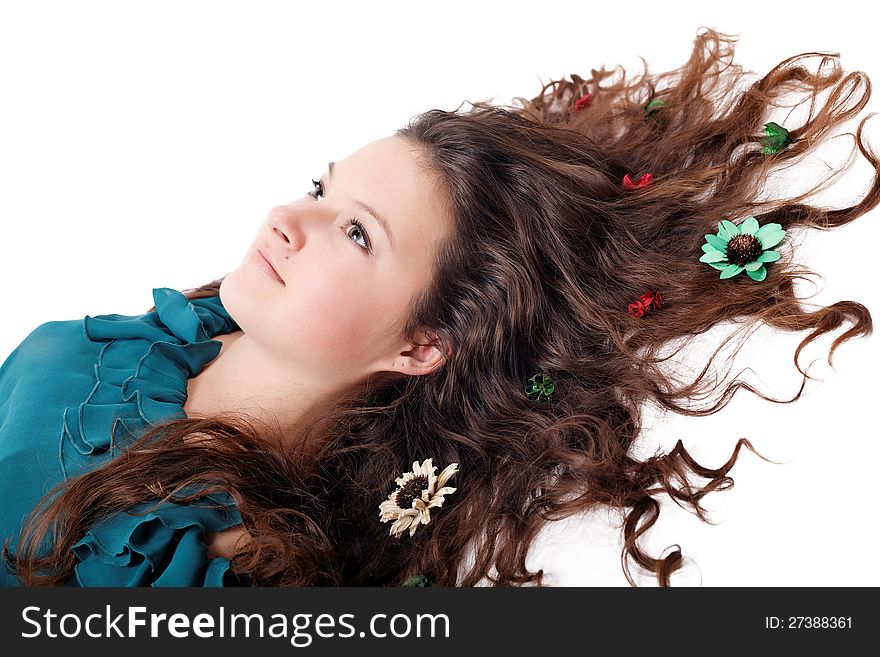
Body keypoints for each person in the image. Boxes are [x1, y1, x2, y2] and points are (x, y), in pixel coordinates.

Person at [1, 27, 877, 587]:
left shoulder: (231, 572)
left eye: (355, 232)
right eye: (320, 188)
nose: (285, 219)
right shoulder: (86, 350)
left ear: (424, 344)